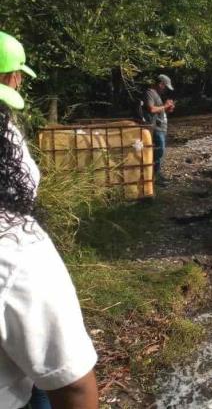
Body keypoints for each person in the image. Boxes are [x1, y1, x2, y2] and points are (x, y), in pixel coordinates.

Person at [0, 31, 99, 409]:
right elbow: (73, 386)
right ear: (10, 77)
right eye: (17, 73)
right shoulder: (16, 249)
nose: (20, 79)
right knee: (46, 377)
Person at [144, 74, 175, 184]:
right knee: (158, 151)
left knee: (160, 152)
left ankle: (157, 175)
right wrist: (165, 106)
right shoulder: (150, 92)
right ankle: (154, 176)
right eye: (165, 87)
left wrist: (167, 109)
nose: (166, 90)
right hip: (155, 127)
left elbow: (158, 110)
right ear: (161, 84)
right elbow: (151, 109)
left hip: (160, 127)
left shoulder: (156, 94)